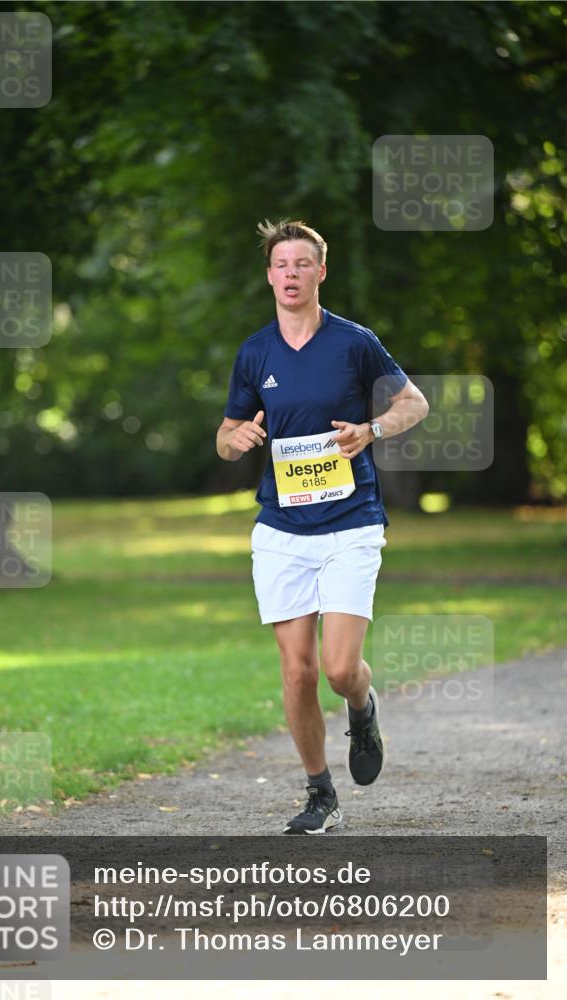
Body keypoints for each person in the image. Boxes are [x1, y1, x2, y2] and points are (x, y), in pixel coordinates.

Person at [216, 219, 429, 834]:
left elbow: (412, 402)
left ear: (320, 273)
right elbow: (226, 437)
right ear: (269, 276)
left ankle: (362, 708)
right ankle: (320, 794)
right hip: (281, 529)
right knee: (296, 670)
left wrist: (374, 430)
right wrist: (238, 438)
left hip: (350, 522)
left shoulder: (354, 343)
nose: (290, 274)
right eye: (281, 265)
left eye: (301, 264)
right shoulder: (255, 352)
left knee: (339, 669)